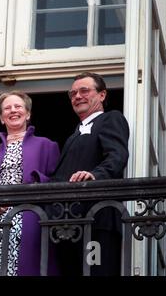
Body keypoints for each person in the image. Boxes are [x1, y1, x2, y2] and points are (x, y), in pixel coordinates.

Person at [0, 90, 60, 276]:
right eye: (7, 108)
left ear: (28, 113)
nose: (13, 110)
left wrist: (32, 184)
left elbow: (57, 181)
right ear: (2, 118)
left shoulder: (47, 145)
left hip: (30, 220)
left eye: (18, 106)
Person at [51, 72, 129, 276]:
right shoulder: (74, 134)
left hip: (98, 219)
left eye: (84, 90)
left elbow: (117, 156)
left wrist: (95, 175)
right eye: (73, 93)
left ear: (102, 95)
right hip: (69, 224)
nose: (77, 96)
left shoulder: (110, 119)